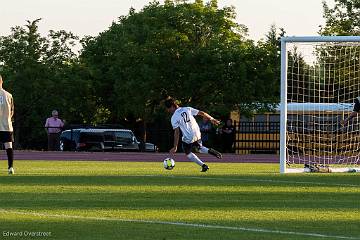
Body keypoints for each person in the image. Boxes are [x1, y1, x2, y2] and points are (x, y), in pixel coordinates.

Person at [164, 98, 222, 172]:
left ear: (172, 106)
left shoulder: (174, 117)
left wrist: (175, 146)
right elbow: (202, 113)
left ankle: (203, 165)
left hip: (189, 136)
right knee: (199, 148)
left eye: (168, 109)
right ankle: (212, 152)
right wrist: (212, 119)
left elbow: (177, 132)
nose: (168, 111)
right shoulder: (187, 109)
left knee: (187, 151)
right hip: (197, 133)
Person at [0, 74, 15, 174]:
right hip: (6, 125)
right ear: (2, 81)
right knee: (8, 146)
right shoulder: (9, 95)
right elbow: (12, 111)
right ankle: (10, 167)